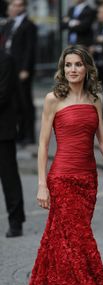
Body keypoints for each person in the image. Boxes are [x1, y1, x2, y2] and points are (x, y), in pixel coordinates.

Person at [11, 45, 103, 285]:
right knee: (74, 245)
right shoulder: (52, 100)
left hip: (88, 182)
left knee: (66, 246)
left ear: (87, 68)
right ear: (63, 68)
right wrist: (42, 185)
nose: (73, 69)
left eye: (78, 64)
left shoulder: (95, 100)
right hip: (62, 178)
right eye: (69, 64)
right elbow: (44, 144)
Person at [0, 0, 37, 146]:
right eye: (12, 5)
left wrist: (25, 69)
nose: (13, 8)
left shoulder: (29, 25)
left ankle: (29, 134)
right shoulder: (9, 24)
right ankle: (19, 133)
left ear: (23, 7)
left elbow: (30, 49)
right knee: (13, 102)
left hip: (21, 69)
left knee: (25, 102)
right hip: (9, 69)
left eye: (16, 5)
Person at [0, 49, 25, 237]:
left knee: (9, 177)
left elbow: (3, 94)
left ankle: (16, 221)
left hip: (3, 130)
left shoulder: (6, 60)